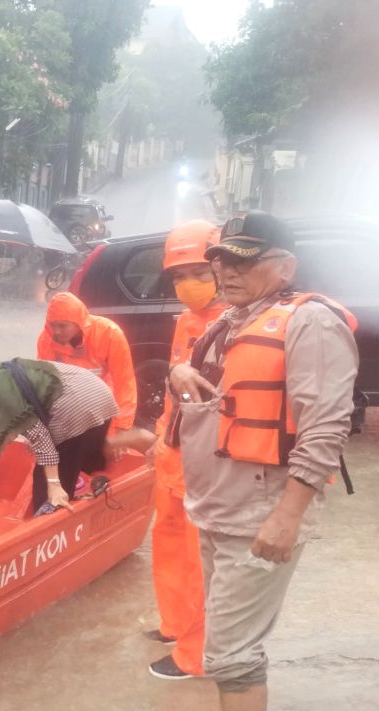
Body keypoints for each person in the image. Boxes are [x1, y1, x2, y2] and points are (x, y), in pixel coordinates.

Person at [167, 211, 357, 711]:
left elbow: (326, 428)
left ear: (285, 266)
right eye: (221, 257)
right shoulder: (231, 319)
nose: (225, 269)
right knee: (231, 638)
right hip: (218, 506)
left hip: (261, 513)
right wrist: (179, 370)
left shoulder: (311, 323)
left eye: (244, 260)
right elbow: (207, 382)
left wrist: (288, 514)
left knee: (232, 650)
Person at [146, 220, 229, 681]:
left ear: (221, 267)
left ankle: (194, 654)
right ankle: (174, 624)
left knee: (201, 558)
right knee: (169, 539)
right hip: (175, 449)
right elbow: (174, 389)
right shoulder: (187, 322)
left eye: (197, 272)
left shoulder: (239, 322)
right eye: (178, 276)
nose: (187, 285)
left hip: (210, 457)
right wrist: (161, 436)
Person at [0, 357, 150, 514]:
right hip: (98, 392)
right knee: (88, 457)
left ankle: (53, 512)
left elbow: (42, 438)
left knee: (50, 477)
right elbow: (19, 417)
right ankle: (126, 440)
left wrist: (54, 485)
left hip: (77, 403)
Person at [36, 291, 138, 435]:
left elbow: (124, 383)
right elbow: (43, 386)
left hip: (102, 405)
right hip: (66, 408)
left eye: (62, 326)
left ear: (78, 323)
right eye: (52, 325)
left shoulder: (109, 334)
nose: (56, 331)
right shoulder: (46, 339)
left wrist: (122, 428)